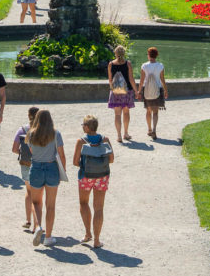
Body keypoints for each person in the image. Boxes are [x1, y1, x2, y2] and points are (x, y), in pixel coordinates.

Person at [73, 115, 114, 248]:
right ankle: (97, 240)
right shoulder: (105, 140)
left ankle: (87, 234)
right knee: (99, 207)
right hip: (102, 176)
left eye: (83, 124)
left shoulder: (81, 141)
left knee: (83, 203)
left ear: (87, 127)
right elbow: (111, 159)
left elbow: (75, 162)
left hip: (86, 176)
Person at [28, 109, 66, 248]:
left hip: (36, 168)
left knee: (36, 202)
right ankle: (48, 236)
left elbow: (31, 151)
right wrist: (63, 171)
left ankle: (38, 226)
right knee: (50, 205)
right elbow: (61, 154)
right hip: (52, 168)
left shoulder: (31, 134)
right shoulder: (56, 133)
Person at [12, 106, 40, 231]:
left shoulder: (22, 130)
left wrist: (22, 153)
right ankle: (36, 224)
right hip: (39, 164)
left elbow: (14, 149)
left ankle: (28, 220)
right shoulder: (43, 130)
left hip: (25, 163)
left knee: (29, 192)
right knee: (37, 196)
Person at [107, 44, 137, 142]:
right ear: (124, 53)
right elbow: (131, 79)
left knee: (117, 115)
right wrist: (136, 91)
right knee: (126, 112)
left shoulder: (110, 64)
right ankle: (126, 133)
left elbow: (110, 80)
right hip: (127, 91)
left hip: (115, 91)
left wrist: (113, 91)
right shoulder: (128, 63)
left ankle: (119, 136)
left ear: (115, 53)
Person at [137, 46, 168, 139]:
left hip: (147, 90)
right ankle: (154, 129)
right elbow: (162, 79)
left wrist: (139, 92)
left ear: (148, 55)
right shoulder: (160, 66)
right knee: (155, 112)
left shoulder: (144, 66)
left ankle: (149, 129)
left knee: (148, 111)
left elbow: (142, 81)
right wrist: (166, 90)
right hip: (157, 90)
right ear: (156, 55)